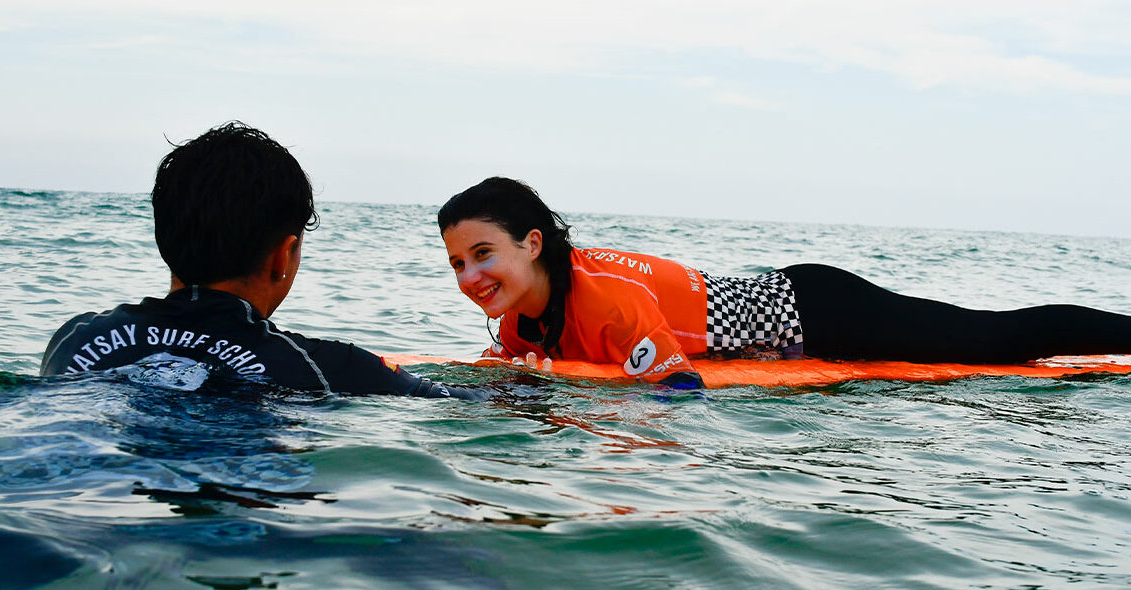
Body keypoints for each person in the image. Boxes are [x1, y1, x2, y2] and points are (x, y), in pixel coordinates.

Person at [439, 176, 1131, 389]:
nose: (471, 276)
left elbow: (677, 390)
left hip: (817, 311)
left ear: (533, 244)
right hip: (783, 304)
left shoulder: (602, 296)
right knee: (998, 338)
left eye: (482, 254)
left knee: (1001, 341)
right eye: (457, 264)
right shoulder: (519, 322)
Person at [43, 122, 477, 399]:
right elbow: (473, 405)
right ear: (282, 256)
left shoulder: (74, 340)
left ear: (163, 237)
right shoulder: (333, 369)